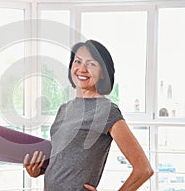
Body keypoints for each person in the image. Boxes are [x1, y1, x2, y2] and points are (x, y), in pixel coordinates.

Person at [23, 40, 153, 190]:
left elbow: (144, 169)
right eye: (77, 61)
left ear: (103, 72)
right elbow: (63, 160)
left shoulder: (106, 111)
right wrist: (38, 171)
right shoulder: (64, 109)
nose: (82, 69)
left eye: (91, 64)